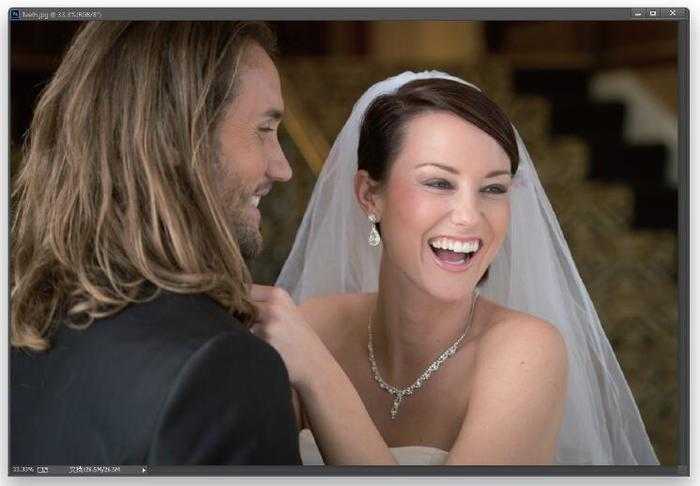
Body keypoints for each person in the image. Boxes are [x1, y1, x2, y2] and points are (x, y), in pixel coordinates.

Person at [251, 72, 660, 465]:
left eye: (493, 188)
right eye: (439, 183)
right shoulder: (314, 325)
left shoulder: (527, 352)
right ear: (370, 195)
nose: (469, 216)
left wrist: (319, 375)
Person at [10, 21, 300, 465]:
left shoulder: (24, 322)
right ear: (177, 140)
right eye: (264, 129)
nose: (283, 168)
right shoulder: (224, 368)